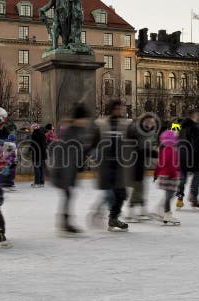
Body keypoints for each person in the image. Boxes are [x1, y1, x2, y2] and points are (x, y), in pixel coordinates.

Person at [50, 104, 94, 235]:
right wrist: (58, 171)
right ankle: (64, 223)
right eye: (84, 118)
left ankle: (65, 222)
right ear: (78, 118)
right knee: (68, 194)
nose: (86, 121)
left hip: (71, 169)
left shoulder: (80, 130)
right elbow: (61, 152)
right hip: (63, 169)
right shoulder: (69, 131)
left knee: (69, 195)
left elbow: (81, 149)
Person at [95, 99, 131, 232]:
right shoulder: (101, 124)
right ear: (112, 109)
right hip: (106, 163)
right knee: (111, 193)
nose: (122, 110)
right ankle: (104, 210)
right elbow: (94, 142)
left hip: (120, 164)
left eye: (122, 108)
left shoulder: (125, 124)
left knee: (122, 194)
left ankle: (113, 218)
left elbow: (133, 141)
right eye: (119, 108)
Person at [125, 113, 158, 221]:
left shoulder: (145, 132)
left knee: (141, 186)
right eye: (149, 122)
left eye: (152, 122)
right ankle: (130, 211)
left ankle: (142, 209)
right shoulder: (137, 130)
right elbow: (139, 148)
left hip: (139, 161)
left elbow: (145, 148)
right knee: (138, 186)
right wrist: (155, 154)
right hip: (134, 161)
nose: (151, 124)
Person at [175, 109, 199, 208]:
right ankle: (193, 197)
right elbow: (196, 144)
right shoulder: (194, 127)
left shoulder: (180, 126)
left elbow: (176, 140)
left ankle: (180, 196)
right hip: (192, 156)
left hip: (182, 156)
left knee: (183, 177)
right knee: (196, 176)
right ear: (193, 116)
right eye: (197, 116)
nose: (198, 117)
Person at [153, 129, 180, 225]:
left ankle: (161, 210)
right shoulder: (170, 150)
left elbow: (160, 163)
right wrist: (174, 174)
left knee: (170, 194)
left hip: (165, 174)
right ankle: (167, 214)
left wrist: (156, 174)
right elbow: (170, 164)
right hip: (169, 175)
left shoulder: (164, 149)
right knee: (170, 194)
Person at [29, 123, 47, 188]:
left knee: (37, 168)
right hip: (42, 154)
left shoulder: (35, 134)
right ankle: (41, 182)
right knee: (41, 168)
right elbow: (44, 144)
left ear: (34, 128)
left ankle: (37, 182)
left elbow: (33, 144)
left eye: (31, 128)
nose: (30, 130)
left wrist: (30, 149)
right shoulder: (42, 133)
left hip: (37, 154)